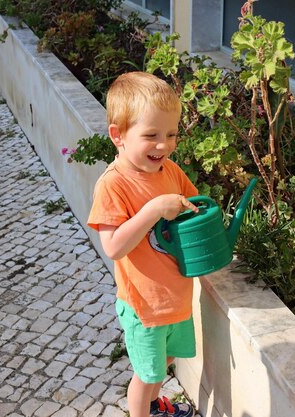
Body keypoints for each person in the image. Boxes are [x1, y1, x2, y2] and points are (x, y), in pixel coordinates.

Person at [87, 71, 199, 417]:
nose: (163, 145)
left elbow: (192, 212)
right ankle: (142, 410)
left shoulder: (171, 172)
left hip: (175, 297)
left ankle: (154, 406)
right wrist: (152, 210)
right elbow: (114, 247)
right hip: (143, 306)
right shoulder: (113, 185)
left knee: (164, 361)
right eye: (151, 135)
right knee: (144, 373)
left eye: (171, 134)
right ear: (117, 136)